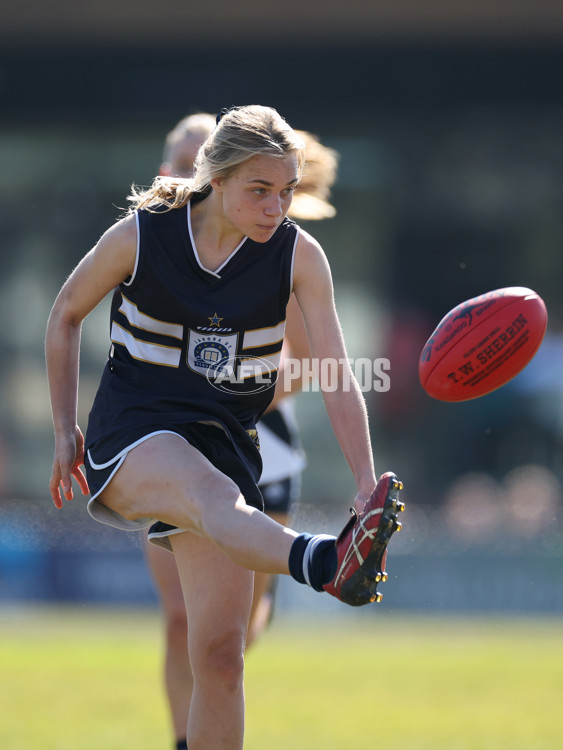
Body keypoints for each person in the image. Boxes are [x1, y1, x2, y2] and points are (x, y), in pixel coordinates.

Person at [46, 104, 404, 750]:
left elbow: (336, 373)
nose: (277, 208)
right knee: (210, 510)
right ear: (217, 178)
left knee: (220, 656)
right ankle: (325, 561)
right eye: (260, 191)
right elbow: (64, 314)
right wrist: (64, 427)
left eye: (287, 192)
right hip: (135, 431)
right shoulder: (143, 235)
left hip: (226, 443)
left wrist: (364, 484)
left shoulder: (299, 255)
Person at [148, 112, 339, 749]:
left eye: (192, 162)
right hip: (169, 447)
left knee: (234, 637)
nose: (182, 174)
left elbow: (309, 363)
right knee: (183, 620)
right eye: (176, 163)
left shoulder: (275, 248)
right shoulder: (156, 245)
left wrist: (231, 380)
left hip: (259, 447)